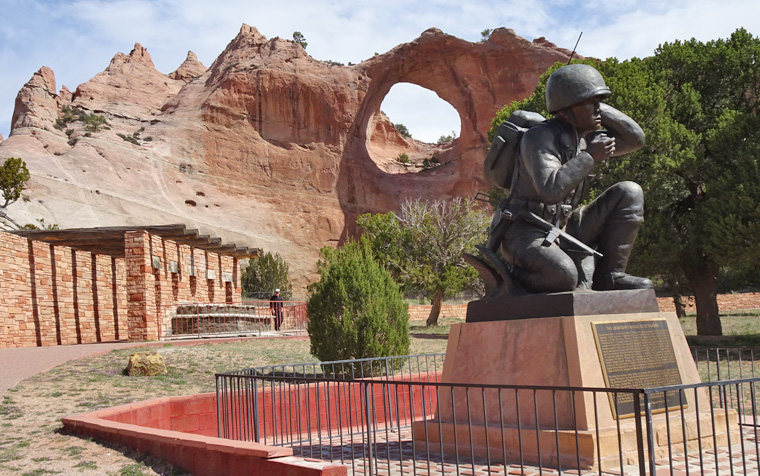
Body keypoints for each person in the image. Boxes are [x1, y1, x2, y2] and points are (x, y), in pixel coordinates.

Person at [493, 63, 653, 294]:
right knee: (564, 278)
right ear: (568, 108)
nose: (599, 109)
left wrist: (593, 103)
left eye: (601, 103)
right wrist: (590, 156)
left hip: (566, 226)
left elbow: (635, 139)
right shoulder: (539, 137)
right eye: (593, 104)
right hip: (526, 230)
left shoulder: (586, 138)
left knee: (629, 192)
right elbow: (550, 189)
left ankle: (611, 277)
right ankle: (511, 276)